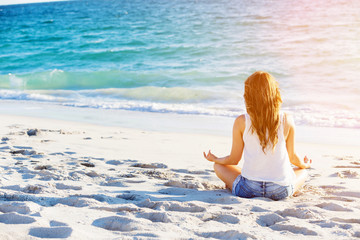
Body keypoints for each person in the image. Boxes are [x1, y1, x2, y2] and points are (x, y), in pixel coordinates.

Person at [203, 71, 312, 201]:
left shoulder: (241, 121)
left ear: (248, 95)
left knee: (218, 166)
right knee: (303, 172)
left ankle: (236, 183)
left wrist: (216, 159)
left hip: (248, 189)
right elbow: (293, 157)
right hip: (280, 191)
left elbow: (233, 160)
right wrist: (305, 165)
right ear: (274, 93)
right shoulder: (286, 120)